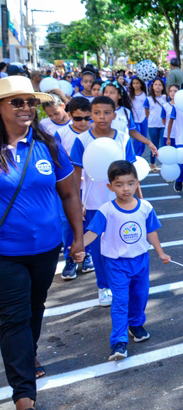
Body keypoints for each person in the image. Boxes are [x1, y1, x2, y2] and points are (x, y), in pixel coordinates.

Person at [0, 77, 86, 410]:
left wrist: (78, 238)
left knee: (35, 307)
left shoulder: (47, 144)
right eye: (15, 103)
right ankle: (23, 394)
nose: (25, 109)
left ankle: (27, 353)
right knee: (14, 316)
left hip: (47, 248)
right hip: (5, 252)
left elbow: (69, 194)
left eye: (29, 102)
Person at [84, 161, 170, 361]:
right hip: (116, 264)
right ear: (110, 187)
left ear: (137, 183)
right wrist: (79, 246)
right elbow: (93, 232)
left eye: (130, 183)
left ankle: (136, 324)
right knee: (120, 301)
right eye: (119, 184)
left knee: (140, 296)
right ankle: (119, 342)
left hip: (140, 261)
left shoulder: (145, 207)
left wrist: (161, 253)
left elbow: (151, 231)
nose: (125, 189)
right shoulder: (106, 210)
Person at [70, 96, 137, 307]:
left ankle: (122, 282)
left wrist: (139, 199)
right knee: (98, 248)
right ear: (91, 114)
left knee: (124, 242)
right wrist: (78, 201)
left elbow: (133, 174)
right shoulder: (81, 141)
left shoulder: (124, 139)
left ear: (114, 115)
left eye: (107, 113)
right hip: (93, 203)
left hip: (122, 203)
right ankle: (103, 286)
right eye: (97, 113)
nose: (102, 117)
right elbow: (75, 174)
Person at [56, 97, 94, 280]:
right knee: (68, 223)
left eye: (88, 118)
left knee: (88, 222)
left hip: (91, 186)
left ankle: (87, 254)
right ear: (69, 115)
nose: (84, 122)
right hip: (69, 187)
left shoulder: (95, 134)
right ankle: (70, 259)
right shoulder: (61, 134)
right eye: (78, 118)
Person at [145, 79, 167, 171]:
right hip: (153, 125)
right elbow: (147, 113)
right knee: (154, 145)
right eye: (156, 84)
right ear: (152, 86)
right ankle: (152, 164)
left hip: (164, 125)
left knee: (164, 145)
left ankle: (165, 164)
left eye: (160, 85)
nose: (157, 86)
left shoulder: (166, 98)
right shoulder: (148, 99)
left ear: (163, 87)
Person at [129, 77, 149, 156]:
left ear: (141, 84)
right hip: (134, 119)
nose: (135, 85)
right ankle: (136, 156)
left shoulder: (145, 94)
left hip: (143, 118)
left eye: (137, 83)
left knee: (143, 138)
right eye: (134, 83)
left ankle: (140, 154)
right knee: (137, 139)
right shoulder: (130, 94)